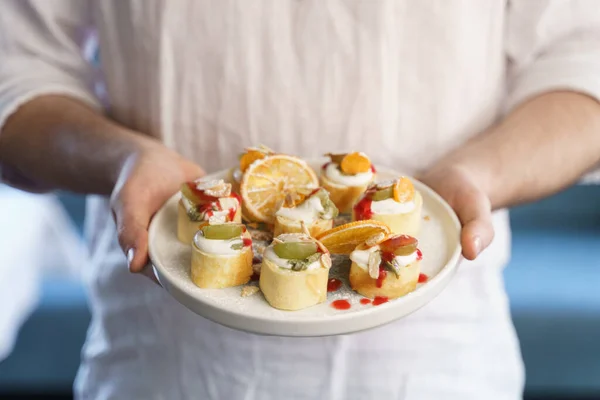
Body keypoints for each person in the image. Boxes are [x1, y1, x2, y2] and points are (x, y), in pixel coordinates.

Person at [1, 1, 599, 399]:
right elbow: (15, 68)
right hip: (157, 364)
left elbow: (584, 60)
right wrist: (122, 158)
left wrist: (482, 171)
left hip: (437, 365)